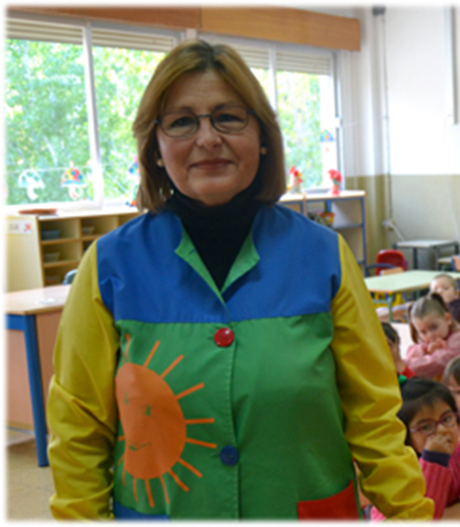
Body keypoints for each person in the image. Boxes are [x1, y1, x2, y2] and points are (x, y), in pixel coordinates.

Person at [46, 39, 433, 521]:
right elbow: (78, 431)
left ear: (263, 137)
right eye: (182, 121)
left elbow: (374, 418)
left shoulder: (322, 256)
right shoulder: (109, 266)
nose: (207, 138)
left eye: (228, 117)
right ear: (156, 147)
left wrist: (410, 515)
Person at [370, 378, 460, 521]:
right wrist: (434, 460)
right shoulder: (400, 466)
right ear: (407, 437)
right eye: (426, 427)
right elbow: (424, 515)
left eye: (446, 419)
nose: (442, 430)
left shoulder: (459, 451)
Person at [406, 293, 460, 379]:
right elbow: (412, 352)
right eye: (423, 332)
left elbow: (437, 363)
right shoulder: (432, 340)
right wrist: (426, 350)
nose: (430, 335)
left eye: (434, 327)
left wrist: (401, 365)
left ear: (447, 319)